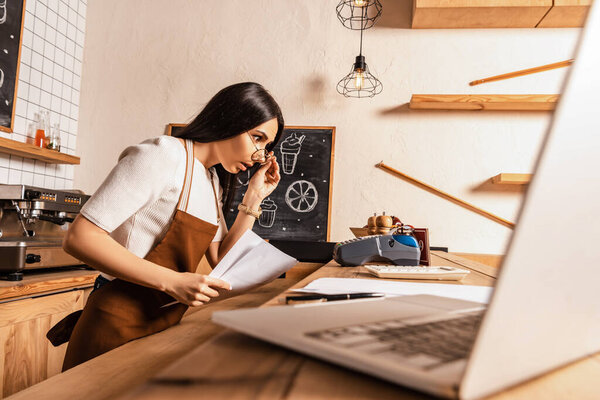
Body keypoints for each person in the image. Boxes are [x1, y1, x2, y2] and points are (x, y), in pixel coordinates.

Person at [54, 82, 283, 370]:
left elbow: (223, 258)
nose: (260, 156)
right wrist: (173, 281)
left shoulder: (211, 182)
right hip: (115, 323)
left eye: (266, 147)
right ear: (231, 119)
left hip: (159, 325)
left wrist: (255, 196)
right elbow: (80, 237)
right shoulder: (162, 154)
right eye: (258, 139)